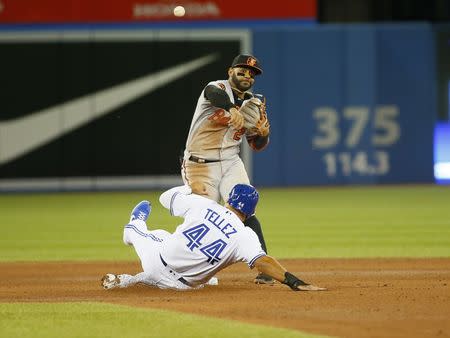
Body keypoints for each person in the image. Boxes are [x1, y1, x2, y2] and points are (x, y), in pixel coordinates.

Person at [101, 184, 326, 292]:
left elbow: (164, 198)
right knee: (169, 242)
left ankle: (134, 224)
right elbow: (263, 262)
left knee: (151, 234)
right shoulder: (245, 236)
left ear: (229, 200)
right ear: (250, 212)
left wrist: (189, 188)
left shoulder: (204, 204)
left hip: (156, 261)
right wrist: (293, 281)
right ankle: (135, 279)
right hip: (184, 287)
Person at [180, 54, 273, 284]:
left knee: (246, 209)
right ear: (230, 71)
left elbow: (256, 146)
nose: (247, 76)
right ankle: (184, 267)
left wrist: (263, 135)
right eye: (241, 71)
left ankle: (265, 268)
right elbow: (215, 95)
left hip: (231, 162)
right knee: (201, 217)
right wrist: (232, 109)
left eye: (252, 74)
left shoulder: (254, 104)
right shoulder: (217, 88)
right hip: (200, 164)